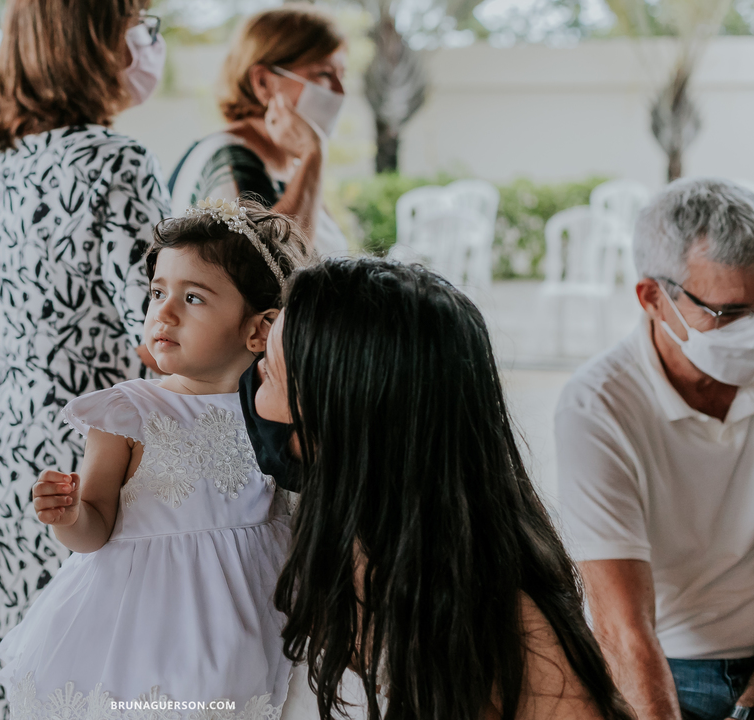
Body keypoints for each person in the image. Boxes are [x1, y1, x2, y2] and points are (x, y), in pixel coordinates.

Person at [0, 0, 171, 720]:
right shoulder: (116, 164)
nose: (149, 39)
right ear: (97, 35)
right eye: (139, 21)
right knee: (84, 665)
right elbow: (162, 328)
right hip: (81, 469)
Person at [250, 257, 634, 720]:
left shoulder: (495, 615)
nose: (251, 382)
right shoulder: (331, 540)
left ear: (340, 417)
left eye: (269, 372)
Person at [0, 198, 312, 717]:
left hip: (256, 613)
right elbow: (95, 529)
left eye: (192, 297)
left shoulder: (275, 408)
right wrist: (70, 515)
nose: (162, 313)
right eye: (157, 292)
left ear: (260, 329)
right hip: (148, 628)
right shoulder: (128, 412)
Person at [556, 178, 754, 720]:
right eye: (729, 314)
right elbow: (623, 627)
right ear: (653, 298)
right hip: (668, 667)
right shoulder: (597, 407)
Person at [166, 6, 350, 255]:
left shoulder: (290, 168)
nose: (340, 91)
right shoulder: (230, 159)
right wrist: (313, 153)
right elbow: (272, 268)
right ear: (263, 82)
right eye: (323, 74)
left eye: (342, 75)